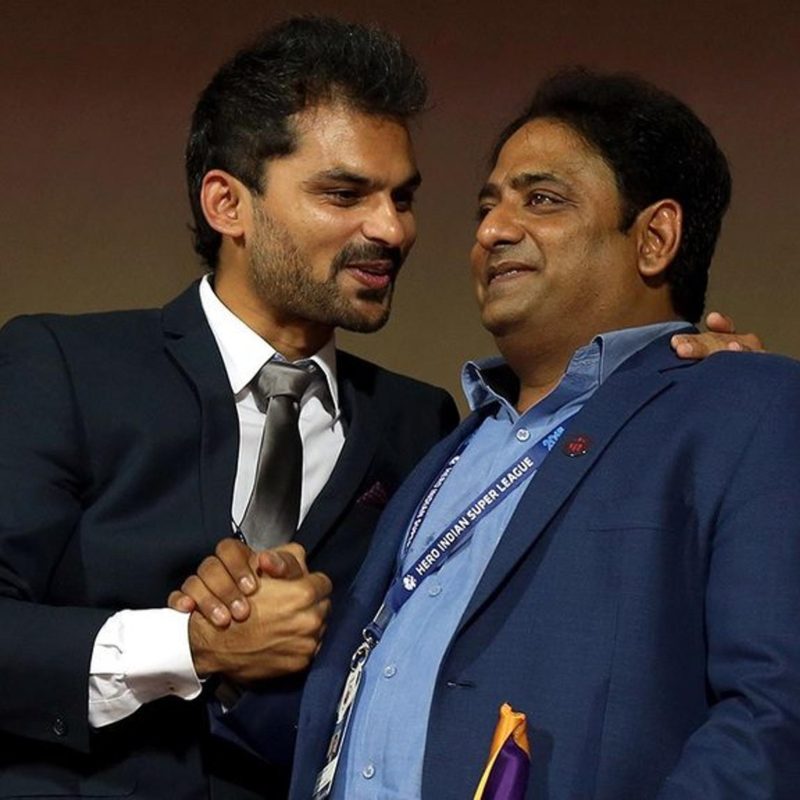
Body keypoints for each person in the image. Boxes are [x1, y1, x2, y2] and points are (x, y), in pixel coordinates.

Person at [186, 68, 800, 798]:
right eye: (488, 207)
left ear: (655, 237)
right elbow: (372, 715)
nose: (491, 231)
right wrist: (238, 651)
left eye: (542, 199)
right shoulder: (448, 450)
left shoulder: (747, 404)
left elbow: (774, 716)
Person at [0, 17, 460, 800]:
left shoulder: (421, 424)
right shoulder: (64, 367)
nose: (392, 229)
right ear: (227, 204)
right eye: (344, 193)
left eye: (402, 197)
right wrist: (193, 645)